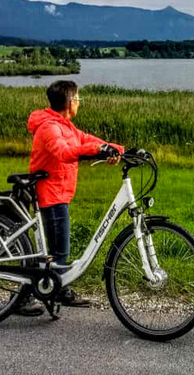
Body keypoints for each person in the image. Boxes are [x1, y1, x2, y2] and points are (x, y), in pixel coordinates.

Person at [16, 80, 124, 316]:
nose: (79, 103)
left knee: (55, 252)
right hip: (50, 194)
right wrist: (99, 151)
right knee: (58, 253)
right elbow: (63, 152)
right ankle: (25, 299)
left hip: (59, 193)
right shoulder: (49, 128)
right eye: (78, 99)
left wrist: (118, 149)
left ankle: (59, 288)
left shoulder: (65, 126)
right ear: (69, 102)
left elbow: (87, 140)